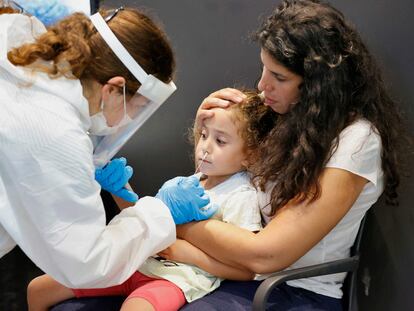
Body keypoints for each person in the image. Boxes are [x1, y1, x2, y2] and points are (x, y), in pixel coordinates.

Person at [169, 0, 407, 310]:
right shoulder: (285, 119)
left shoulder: (356, 141)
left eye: (279, 78)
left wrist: (177, 224)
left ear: (318, 85)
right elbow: (218, 185)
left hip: (297, 292)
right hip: (241, 275)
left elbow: (267, 254)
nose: (262, 85)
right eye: (264, 69)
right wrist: (207, 128)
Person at [0, 4, 217, 291]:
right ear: (113, 88)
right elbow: (88, 262)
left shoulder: (25, 54)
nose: (130, 119)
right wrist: (162, 210)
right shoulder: (56, 131)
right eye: (136, 107)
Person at [26, 89, 278, 311]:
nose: (205, 147)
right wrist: (121, 192)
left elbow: (245, 271)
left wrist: (187, 254)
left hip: (175, 279)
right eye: (203, 135)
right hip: (139, 262)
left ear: (251, 155)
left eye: (220, 140)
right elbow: (151, 222)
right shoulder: (192, 181)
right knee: (39, 288)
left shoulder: (240, 196)